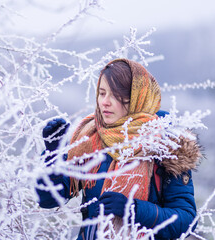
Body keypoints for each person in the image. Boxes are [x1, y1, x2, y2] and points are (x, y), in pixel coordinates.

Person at [36, 59, 201, 240]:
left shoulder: (166, 145)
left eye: (115, 95)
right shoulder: (90, 140)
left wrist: (133, 209)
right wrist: (53, 155)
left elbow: (186, 221)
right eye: (102, 93)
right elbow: (48, 200)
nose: (105, 102)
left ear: (139, 97)